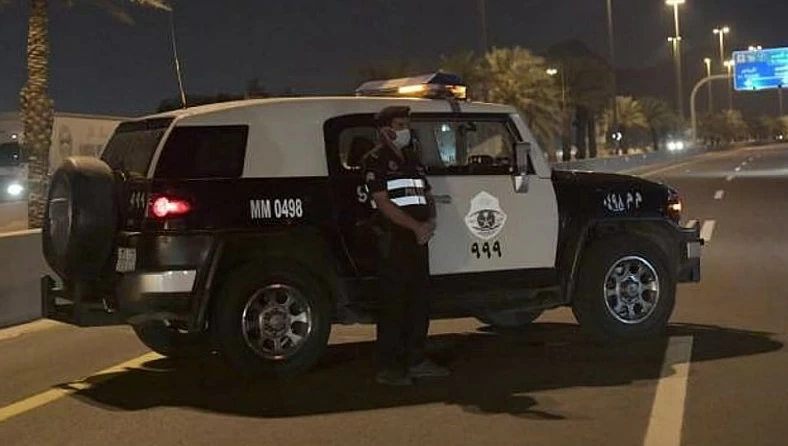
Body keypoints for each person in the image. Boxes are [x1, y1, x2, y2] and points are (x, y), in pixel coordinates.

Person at [362, 105, 450, 386]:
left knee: (419, 302)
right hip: (394, 240)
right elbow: (383, 202)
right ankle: (389, 367)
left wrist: (430, 221)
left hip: (417, 240)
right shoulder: (375, 159)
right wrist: (416, 227)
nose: (405, 131)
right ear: (385, 130)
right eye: (400, 125)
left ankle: (416, 360)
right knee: (394, 304)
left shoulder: (412, 158)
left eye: (406, 125)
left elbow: (426, 194)